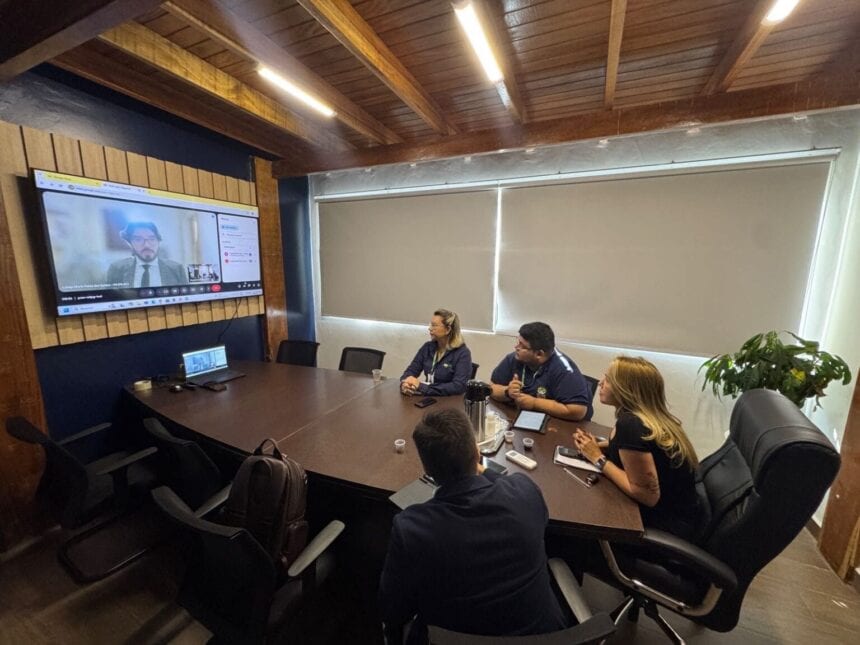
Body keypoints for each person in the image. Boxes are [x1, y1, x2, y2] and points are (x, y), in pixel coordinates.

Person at [379, 409, 567, 644]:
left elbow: (392, 608)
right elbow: (513, 489)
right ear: (477, 453)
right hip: (543, 637)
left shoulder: (411, 528)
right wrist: (483, 469)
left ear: (427, 471)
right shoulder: (525, 493)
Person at [573, 356, 700, 539]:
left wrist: (598, 458)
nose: (600, 383)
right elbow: (642, 449)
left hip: (663, 526)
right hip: (685, 516)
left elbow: (647, 495)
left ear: (626, 389)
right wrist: (596, 446)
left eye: (608, 379)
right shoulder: (652, 419)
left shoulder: (631, 425)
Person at [490, 321, 592, 421]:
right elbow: (491, 387)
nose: (516, 347)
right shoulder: (514, 358)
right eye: (518, 342)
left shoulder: (565, 370)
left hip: (561, 425)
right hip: (524, 418)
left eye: (522, 345)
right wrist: (507, 392)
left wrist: (534, 403)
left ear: (539, 354)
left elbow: (578, 411)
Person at [400, 309, 472, 397]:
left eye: (434, 325)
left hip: (448, 401)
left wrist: (422, 387)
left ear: (448, 329)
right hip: (428, 398)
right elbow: (410, 371)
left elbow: (458, 386)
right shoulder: (427, 347)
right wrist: (405, 384)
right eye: (431, 325)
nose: (430, 328)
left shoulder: (462, 353)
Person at [106, 221, 187, 288]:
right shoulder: (116, 269)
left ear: (158, 241)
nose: (146, 245)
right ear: (130, 243)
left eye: (152, 239)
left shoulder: (176, 269)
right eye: (138, 239)